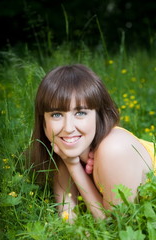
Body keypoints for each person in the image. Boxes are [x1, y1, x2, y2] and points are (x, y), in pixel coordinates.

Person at [30, 64, 155, 221]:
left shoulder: (114, 148)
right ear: (44, 122)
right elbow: (67, 215)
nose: (68, 128)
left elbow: (116, 225)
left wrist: (73, 165)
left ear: (98, 115)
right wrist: (69, 162)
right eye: (56, 115)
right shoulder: (64, 149)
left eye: (80, 113)